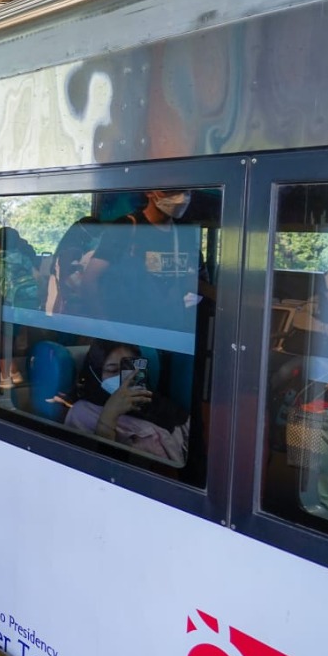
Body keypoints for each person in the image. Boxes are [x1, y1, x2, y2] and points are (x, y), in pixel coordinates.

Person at [81, 190, 206, 331]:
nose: (181, 198)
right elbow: (90, 280)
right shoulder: (128, 226)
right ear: (150, 192)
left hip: (171, 327)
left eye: (185, 191)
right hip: (133, 329)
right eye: (169, 191)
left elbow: (189, 281)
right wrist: (107, 329)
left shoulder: (184, 232)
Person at [65, 338, 191, 466]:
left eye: (129, 369)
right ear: (95, 373)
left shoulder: (152, 401)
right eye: (113, 370)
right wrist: (108, 417)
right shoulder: (82, 413)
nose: (124, 380)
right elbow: (95, 466)